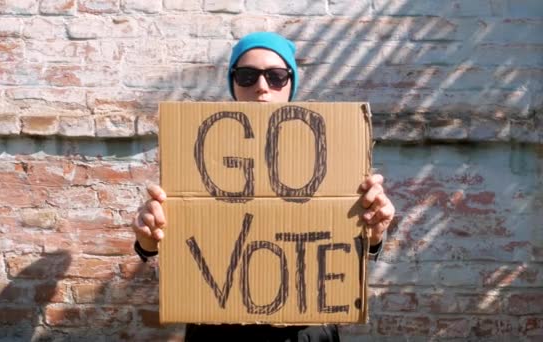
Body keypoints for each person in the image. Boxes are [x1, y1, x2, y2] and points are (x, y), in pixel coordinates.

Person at [133, 32, 395, 341]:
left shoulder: (332, 153)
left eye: (276, 76)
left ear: (290, 84)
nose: (261, 87)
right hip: (218, 331)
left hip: (303, 331)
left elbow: (341, 246)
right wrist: (148, 241)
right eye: (247, 76)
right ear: (233, 83)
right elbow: (173, 245)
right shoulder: (197, 153)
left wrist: (374, 234)